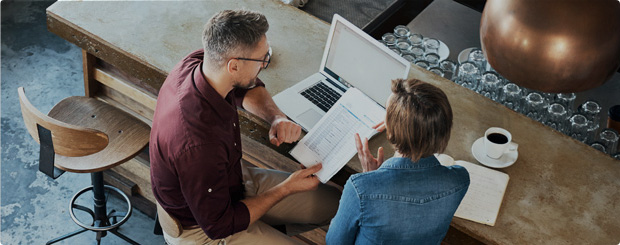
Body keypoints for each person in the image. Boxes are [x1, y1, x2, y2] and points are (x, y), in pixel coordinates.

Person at [150, 9, 340, 244]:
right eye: (261, 59)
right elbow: (219, 225)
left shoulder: (197, 64)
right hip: (202, 228)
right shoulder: (199, 145)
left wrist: (276, 117)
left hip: (231, 184)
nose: (264, 64)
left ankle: (263, 226)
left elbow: (245, 87)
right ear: (234, 66)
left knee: (336, 204)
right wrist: (285, 188)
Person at [326, 78, 470, 245]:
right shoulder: (460, 179)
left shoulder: (359, 189)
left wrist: (371, 178)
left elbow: (334, 242)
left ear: (391, 131)